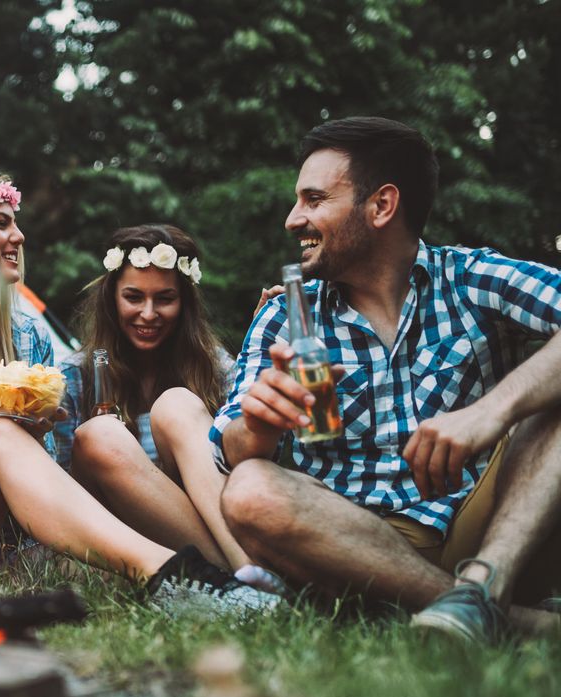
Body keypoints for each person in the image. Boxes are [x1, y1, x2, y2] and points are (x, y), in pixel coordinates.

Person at [0, 166, 277, 612]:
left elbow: (50, 475)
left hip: (16, 551)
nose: (19, 236)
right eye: (2, 223)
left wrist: (41, 432)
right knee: (0, 438)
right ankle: (172, 576)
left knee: (78, 434)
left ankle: (240, 584)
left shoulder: (28, 335)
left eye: (15, 223)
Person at [212, 116, 561, 642]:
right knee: (249, 490)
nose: (292, 219)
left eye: (313, 199)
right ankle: (498, 615)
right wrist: (258, 425)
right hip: (351, 542)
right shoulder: (286, 315)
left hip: (487, 523)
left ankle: (485, 584)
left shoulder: (469, 277)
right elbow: (227, 449)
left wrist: (492, 411)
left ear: (381, 206)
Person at [53, 224, 281, 591]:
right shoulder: (74, 375)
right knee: (100, 433)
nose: (148, 313)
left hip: (196, 526)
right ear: (112, 299)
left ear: (185, 302)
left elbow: (247, 461)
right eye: (133, 297)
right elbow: (60, 493)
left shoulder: (215, 368)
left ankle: (244, 576)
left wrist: (259, 361)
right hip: (109, 536)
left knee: (177, 403)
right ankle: (241, 578)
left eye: (164, 298)